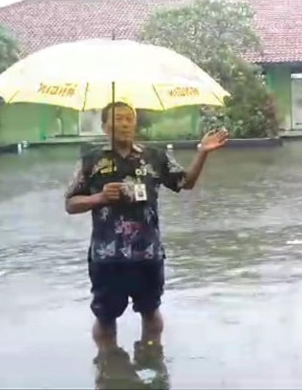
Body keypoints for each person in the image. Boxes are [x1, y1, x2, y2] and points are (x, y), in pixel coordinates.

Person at [64, 101, 228, 355]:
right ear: (105, 126)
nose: (125, 124)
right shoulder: (91, 159)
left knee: (151, 312)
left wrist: (203, 152)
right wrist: (99, 198)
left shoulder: (155, 156)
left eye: (130, 118)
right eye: (118, 119)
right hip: (107, 256)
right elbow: (71, 204)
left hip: (147, 253)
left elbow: (185, 182)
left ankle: (152, 361)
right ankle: (109, 368)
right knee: (105, 317)